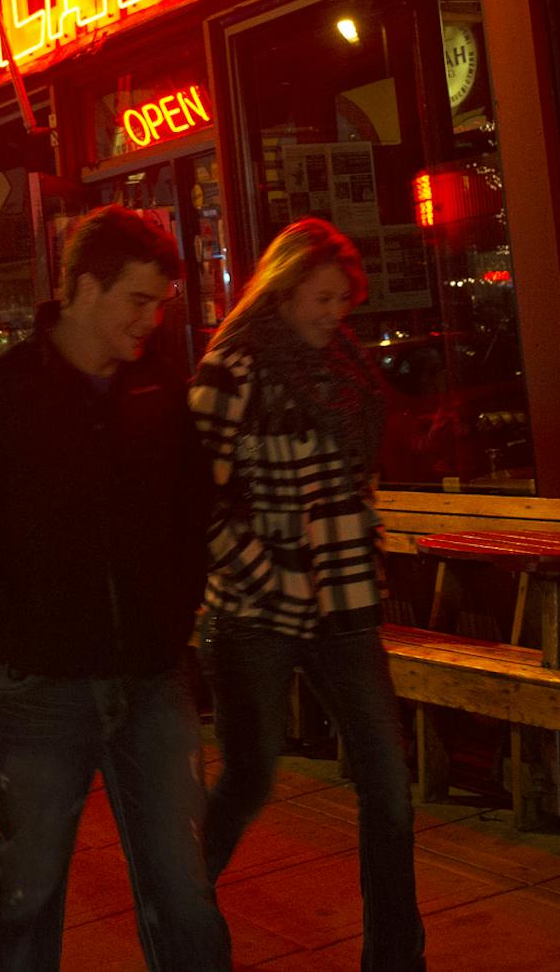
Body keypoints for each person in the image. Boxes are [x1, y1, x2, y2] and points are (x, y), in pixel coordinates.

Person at [0, 206, 228, 972]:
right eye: (138, 300)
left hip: (152, 681)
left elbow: (196, 512)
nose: (150, 321)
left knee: (184, 886)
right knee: (28, 887)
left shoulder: (157, 388)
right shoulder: (6, 391)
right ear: (87, 287)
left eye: (159, 304)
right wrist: (21, 628)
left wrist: (172, 613)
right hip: (41, 692)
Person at [191, 218, 425, 972]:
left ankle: (396, 958)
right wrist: (270, 574)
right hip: (256, 611)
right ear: (285, 290)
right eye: (324, 298)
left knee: (388, 782)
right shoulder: (233, 367)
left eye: (343, 301)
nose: (335, 314)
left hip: (345, 607)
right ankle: (180, 910)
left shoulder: (346, 369)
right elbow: (194, 498)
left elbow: (351, 480)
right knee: (250, 774)